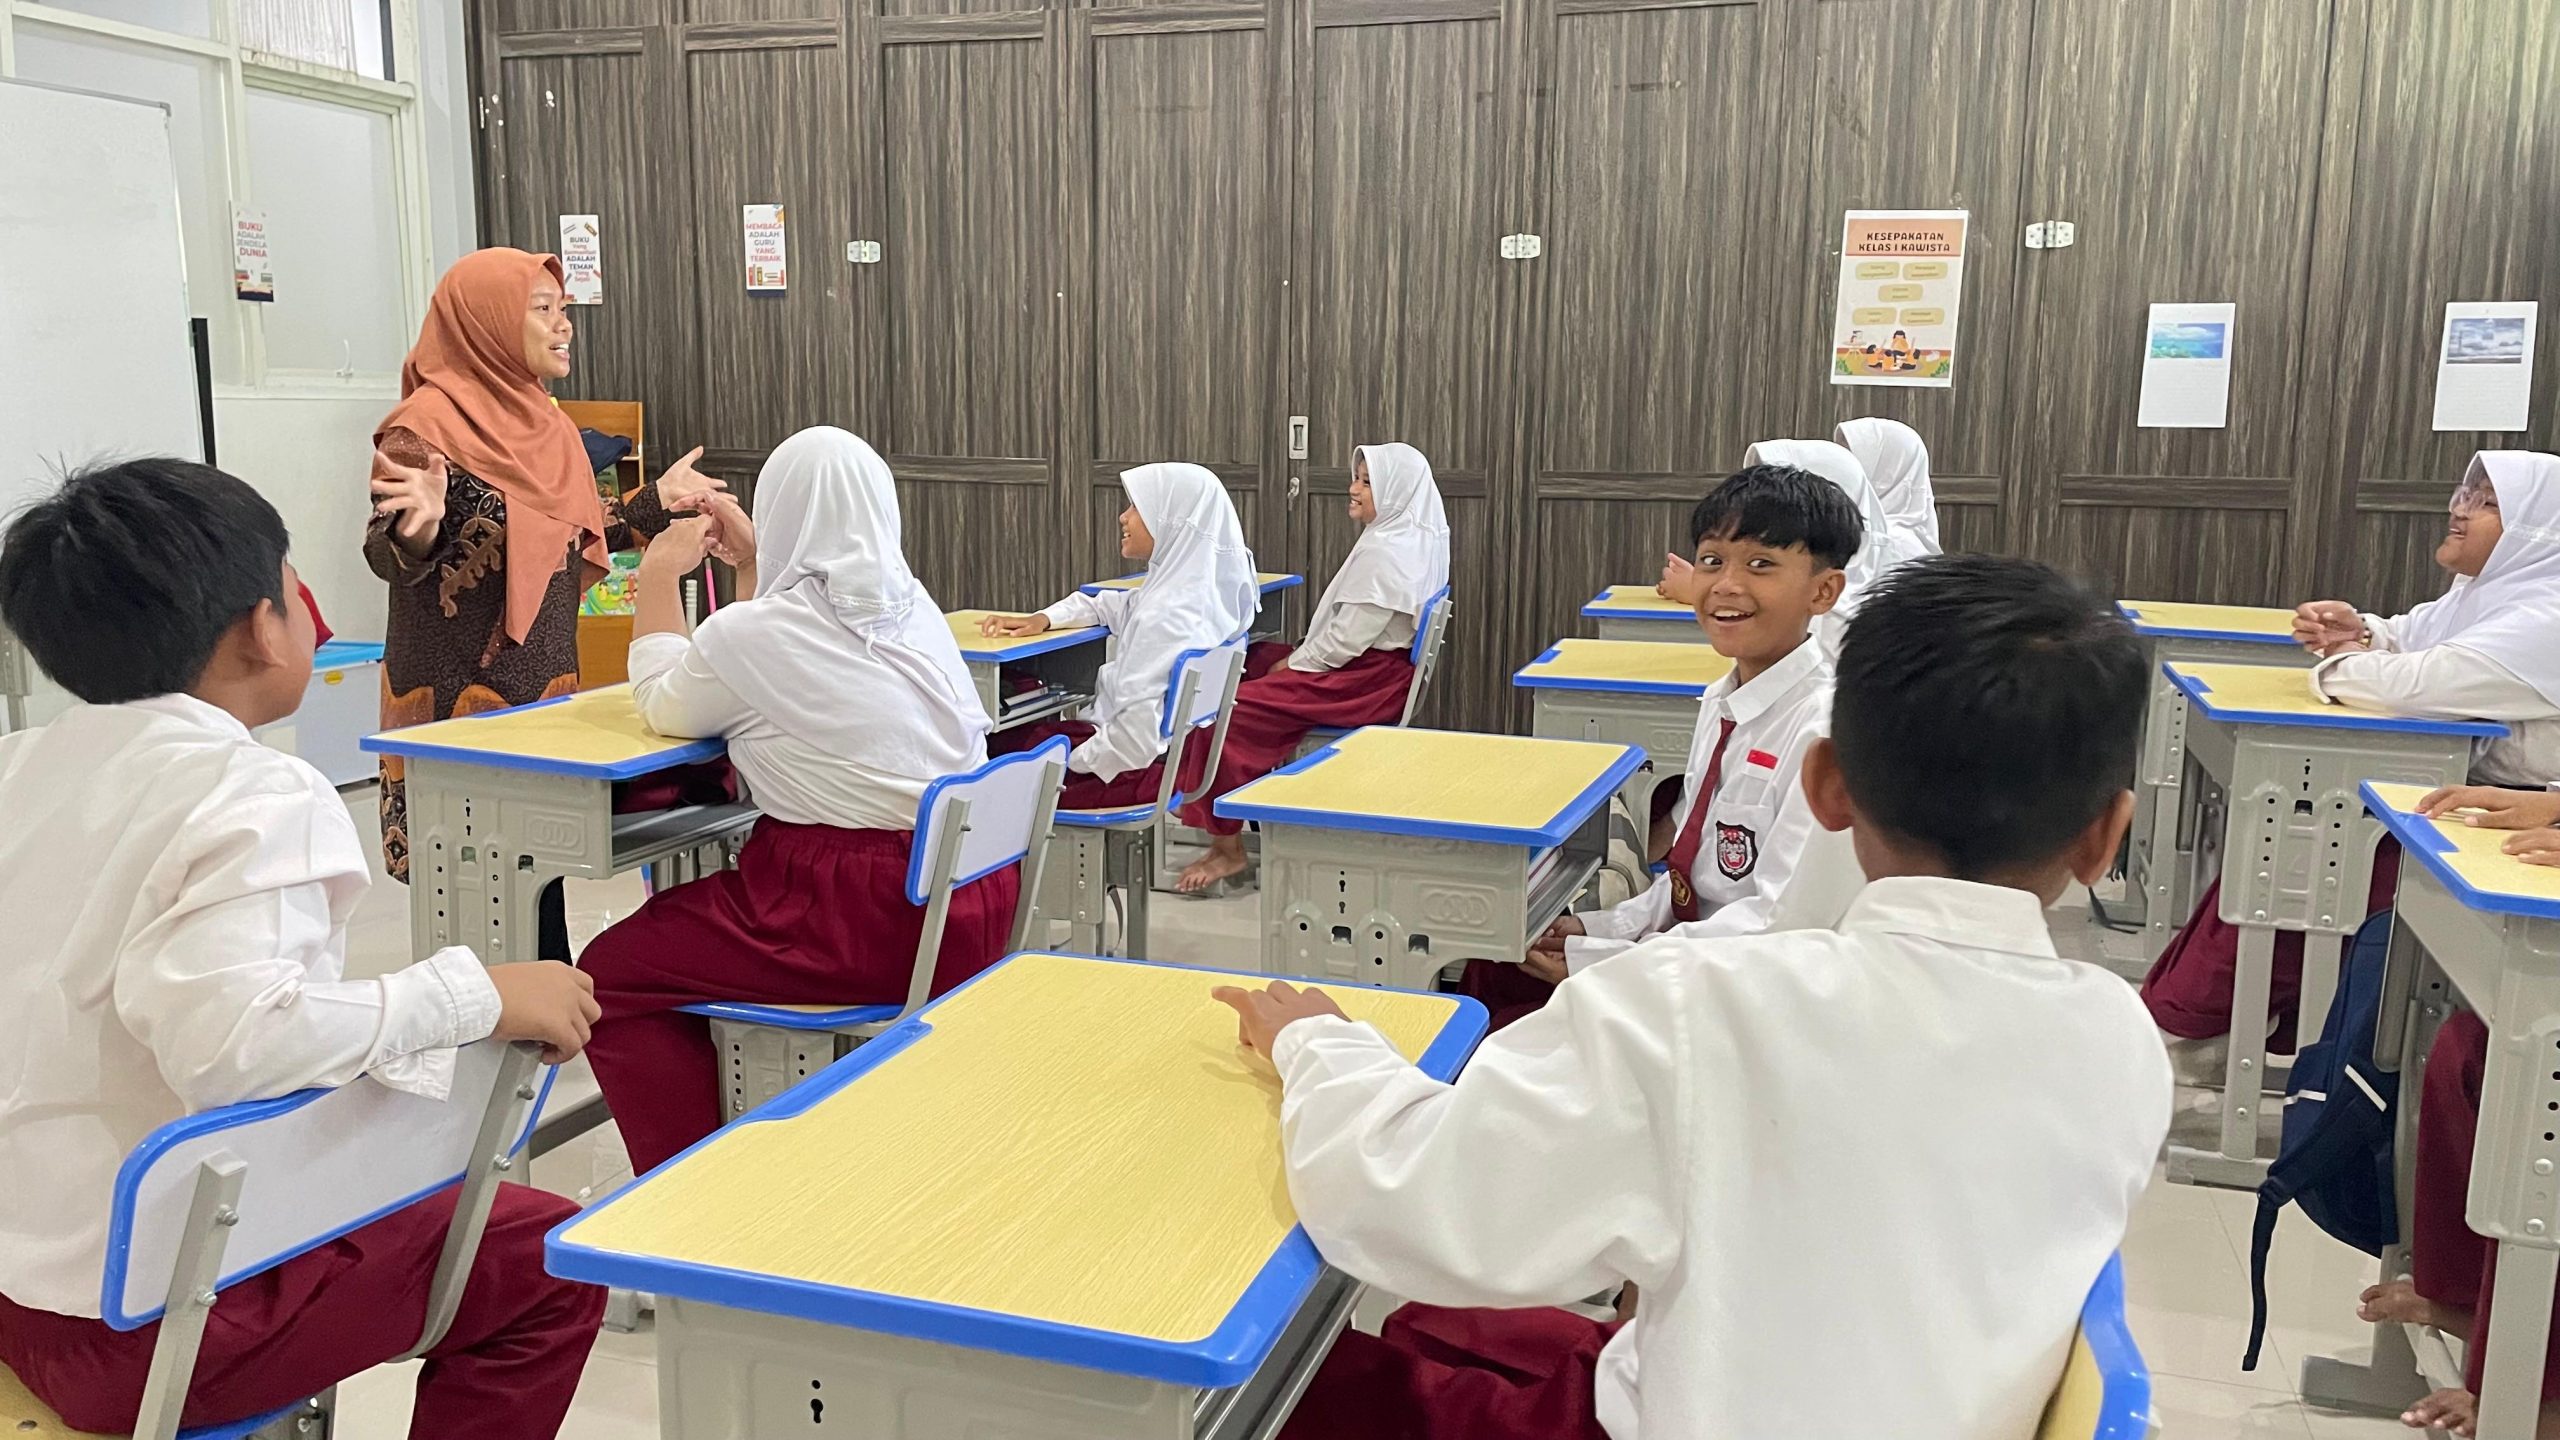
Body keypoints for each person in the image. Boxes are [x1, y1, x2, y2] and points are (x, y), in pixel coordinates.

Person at [1212, 554, 2173, 1440]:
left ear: (1826, 787)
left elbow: (1413, 1205)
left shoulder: (1699, 1009)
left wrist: (1322, 1048)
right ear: (2105, 838)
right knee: (1454, 1330)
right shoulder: (2120, 1041)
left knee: (1275, 1392)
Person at [0, 459, 606, 1438]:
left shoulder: (21, 767)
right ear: (261, 625)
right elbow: (239, 1044)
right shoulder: (252, 792)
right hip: (138, 1328)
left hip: (21, 1286)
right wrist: (475, 996)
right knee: (545, 1257)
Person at [574, 428, 1020, 1174]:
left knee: (611, 974)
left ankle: (688, 1183)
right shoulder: (910, 605)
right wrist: (755, 565)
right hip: (966, 897)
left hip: (852, 911)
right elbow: (768, 665)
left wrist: (656, 576)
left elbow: (664, 700)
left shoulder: (757, 635)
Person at [364, 247, 725, 949]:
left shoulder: (550, 427)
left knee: (538, 897)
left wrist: (657, 500)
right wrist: (419, 531)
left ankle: (537, 1015)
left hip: (543, 696)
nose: (564, 326)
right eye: (541, 310)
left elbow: (572, 536)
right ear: (488, 322)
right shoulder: (422, 427)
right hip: (456, 711)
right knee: (469, 911)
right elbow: (385, 553)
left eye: (563, 309)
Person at [2143, 451, 2560, 1051]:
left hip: (2513, 809)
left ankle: (2213, 1026)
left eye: (2488, 504)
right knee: (2290, 839)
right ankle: (2214, 1021)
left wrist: (2340, 665)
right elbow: (2413, 635)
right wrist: (2362, 633)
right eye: (2465, 495)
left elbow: (2414, 685)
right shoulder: (2488, 590)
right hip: (2457, 793)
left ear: (2536, 532)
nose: (2460, 511)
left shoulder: (2547, 614)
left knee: (2314, 859)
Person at [1468, 465, 1859, 1028]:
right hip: (1683, 957)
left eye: (1761, 564)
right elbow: (1689, 876)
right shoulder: (1723, 700)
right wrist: (1597, 929)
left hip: (1739, 997)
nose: (1726, 585)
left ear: (1824, 591)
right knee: (1494, 961)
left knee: (1513, 1032)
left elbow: (1777, 927)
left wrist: (1605, 962)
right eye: (1712, 560)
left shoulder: (1822, 734)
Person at [1173, 443, 1450, 894]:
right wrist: (1288, 660)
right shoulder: (1406, 537)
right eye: (1356, 478)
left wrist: (1292, 664)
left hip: (1363, 682)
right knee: (1245, 663)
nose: (1353, 489)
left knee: (1224, 708)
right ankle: (1207, 790)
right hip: (1374, 674)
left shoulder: (1389, 554)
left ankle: (1226, 848)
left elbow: (1343, 643)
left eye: (1367, 483)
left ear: (1397, 493)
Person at [980, 462, 1258, 809]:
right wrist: (1046, 618)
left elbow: (1132, 744)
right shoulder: (1200, 597)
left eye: (1137, 507)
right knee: (1015, 742)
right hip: (1168, 760)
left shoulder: (1166, 618)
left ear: (1173, 520)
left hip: (1121, 773)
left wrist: (1064, 765)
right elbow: (1112, 606)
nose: (1123, 517)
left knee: (985, 753)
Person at [1835, 416, 1941, 572]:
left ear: (1886, 469)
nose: (1842, 468)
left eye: (1851, 458)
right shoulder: (1860, 527)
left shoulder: (1889, 543)